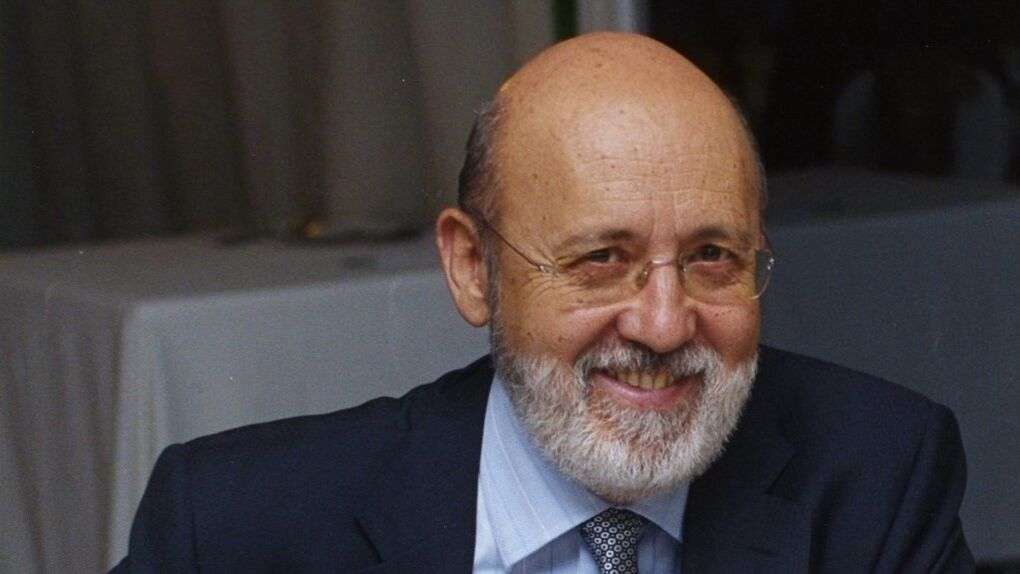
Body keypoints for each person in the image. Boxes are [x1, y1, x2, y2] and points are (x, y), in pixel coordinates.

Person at [111, 32, 973, 572]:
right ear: (472, 269)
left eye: (711, 256)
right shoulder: (232, 527)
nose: (663, 324)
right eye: (602, 259)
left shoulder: (876, 478)